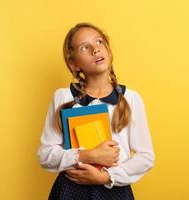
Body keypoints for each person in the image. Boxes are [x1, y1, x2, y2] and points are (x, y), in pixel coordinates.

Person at [37, 22, 155, 200]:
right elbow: (45, 155)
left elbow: (145, 157)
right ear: (74, 64)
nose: (95, 49)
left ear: (108, 49)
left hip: (115, 189)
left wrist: (106, 177)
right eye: (85, 47)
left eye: (99, 42)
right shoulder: (63, 97)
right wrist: (85, 155)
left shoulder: (131, 99)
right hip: (70, 190)